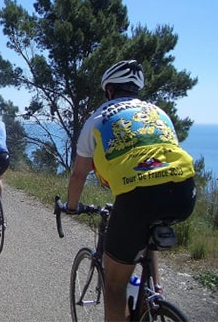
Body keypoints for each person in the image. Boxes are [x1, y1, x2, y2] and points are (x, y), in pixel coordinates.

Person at [64, 60, 196, 321]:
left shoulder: (99, 117)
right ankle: (155, 292)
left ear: (109, 91)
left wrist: (70, 206)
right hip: (184, 191)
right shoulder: (160, 113)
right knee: (149, 227)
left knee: (115, 285)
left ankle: (143, 299)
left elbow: (79, 174)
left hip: (139, 197)